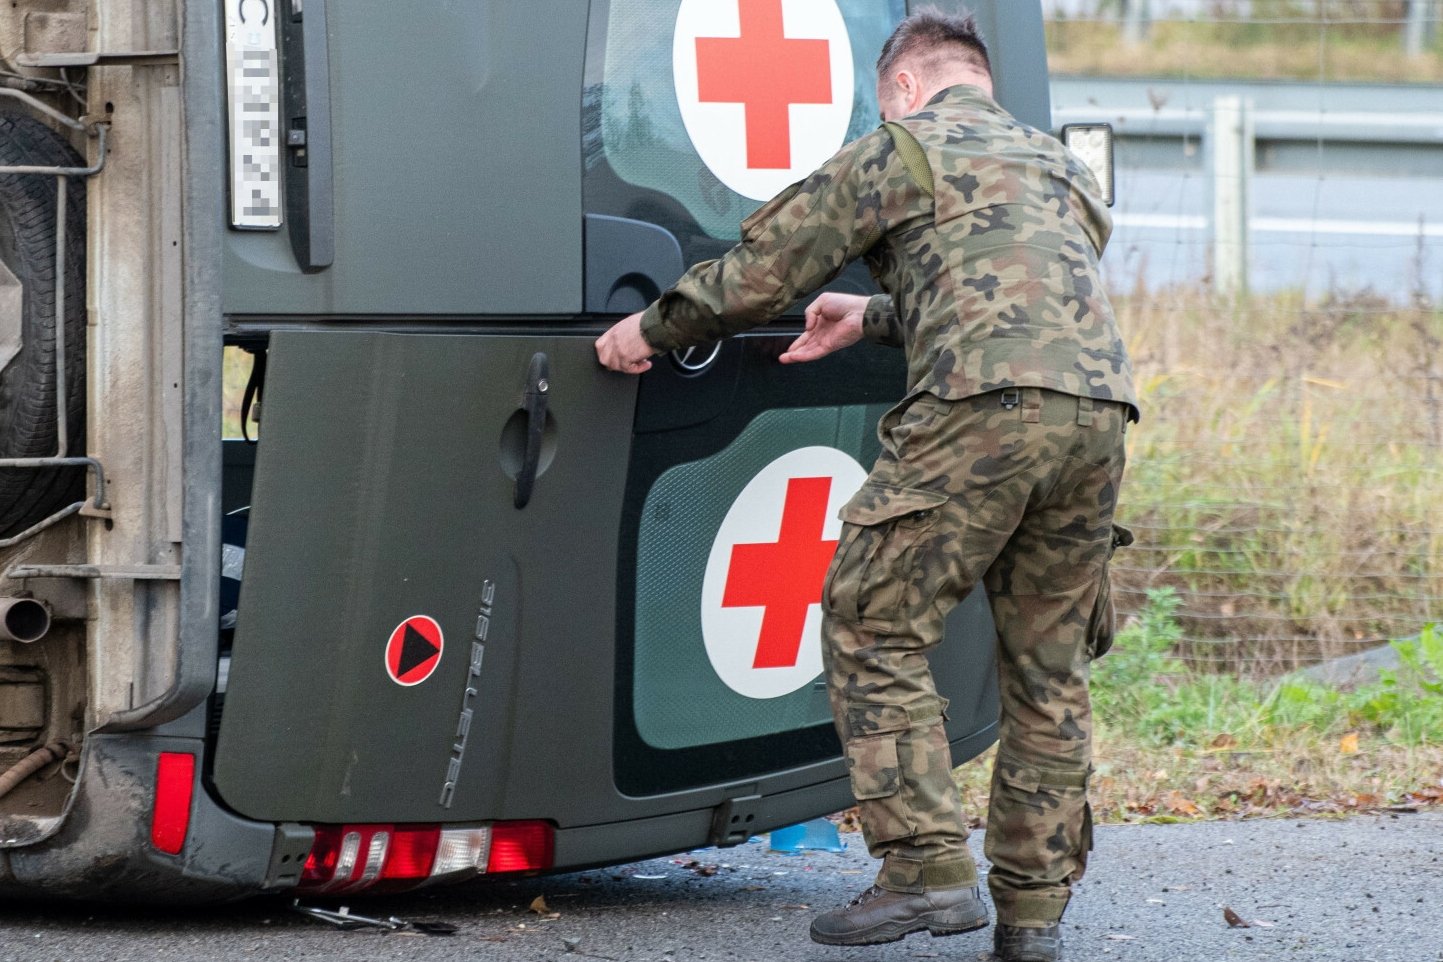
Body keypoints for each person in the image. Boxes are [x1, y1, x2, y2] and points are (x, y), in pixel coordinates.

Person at [596, 9, 1137, 961]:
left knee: (870, 619)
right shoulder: (1058, 168)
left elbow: (767, 269)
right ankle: (1032, 917)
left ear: (900, 87)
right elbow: (1016, 295)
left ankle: (924, 873)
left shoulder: (903, 147)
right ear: (980, 82)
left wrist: (653, 330)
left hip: (979, 410)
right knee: (1048, 674)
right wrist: (875, 317)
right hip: (1095, 420)